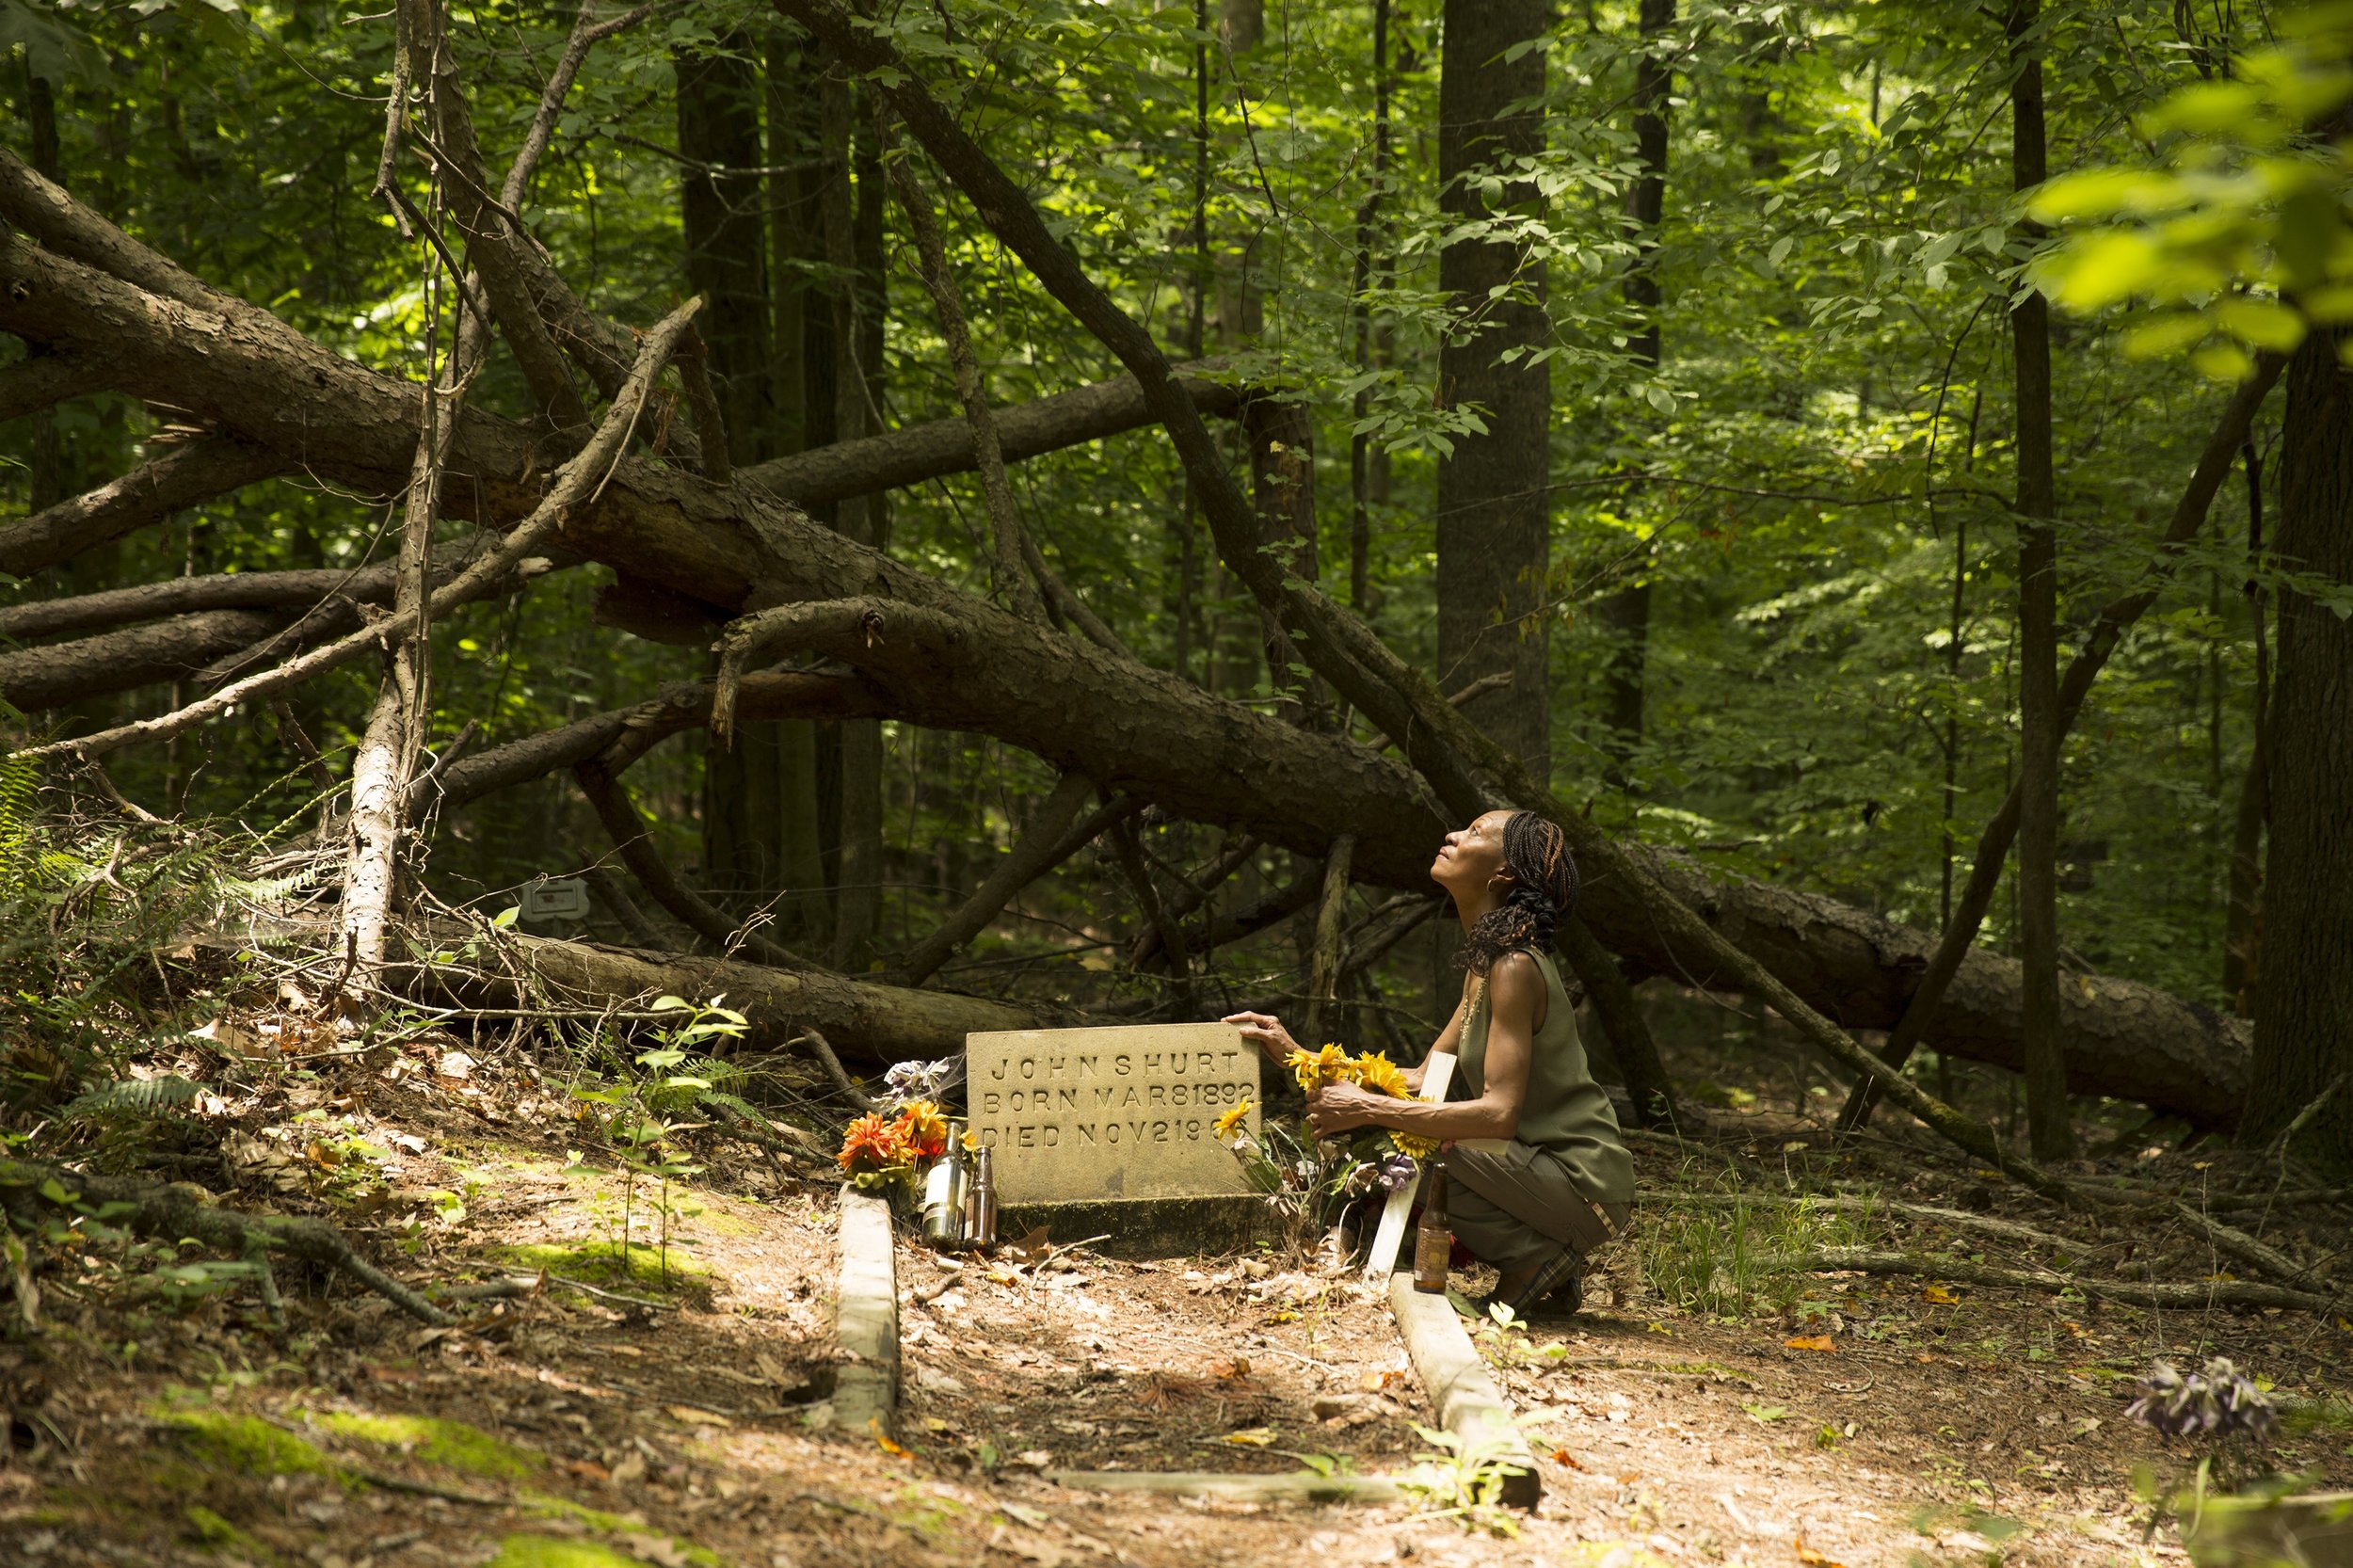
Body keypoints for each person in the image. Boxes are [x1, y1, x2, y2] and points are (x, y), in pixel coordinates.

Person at [1224, 809, 1634, 1316]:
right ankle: (1539, 1255)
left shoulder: (1514, 967)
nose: (1453, 835)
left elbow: (1497, 1114)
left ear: (1501, 875)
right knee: (1395, 1130)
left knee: (1401, 1138)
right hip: (1544, 1176)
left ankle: (1535, 1255)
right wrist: (1301, 1058)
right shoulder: (1489, 963)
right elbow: (1422, 1079)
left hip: (1584, 1186)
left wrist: (1371, 1110)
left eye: (1475, 833)